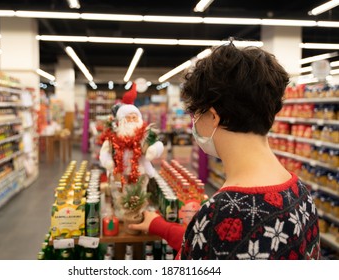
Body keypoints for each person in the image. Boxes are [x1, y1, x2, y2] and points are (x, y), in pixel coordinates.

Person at [129, 41, 321, 260]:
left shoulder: (224, 214)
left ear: (212, 117)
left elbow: (217, 242)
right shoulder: (301, 194)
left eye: (196, 115)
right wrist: (160, 226)